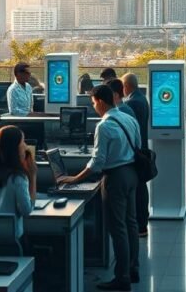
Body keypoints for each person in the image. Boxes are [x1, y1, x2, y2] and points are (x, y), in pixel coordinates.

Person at [59, 85, 142, 291]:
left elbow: (98, 161)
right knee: (131, 223)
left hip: (115, 177)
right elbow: (139, 145)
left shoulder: (104, 126)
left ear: (102, 102)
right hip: (132, 174)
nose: (94, 106)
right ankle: (133, 268)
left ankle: (121, 278)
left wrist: (75, 179)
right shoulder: (129, 119)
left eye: (94, 102)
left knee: (118, 228)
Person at [0, 126, 37, 240]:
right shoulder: (18, 178)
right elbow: (26, 211)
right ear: (14, 149)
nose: (25, 146)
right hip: (13, 240)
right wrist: (32, 176)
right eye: (22, 142)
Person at [121, 73, 150, 237]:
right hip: (142, 148)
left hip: (136, 152)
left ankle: (140, 224)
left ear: (126, 86)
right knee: (141, 187)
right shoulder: (142, 99)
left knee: (138, 189)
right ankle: (142, 222)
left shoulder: (131, 103)